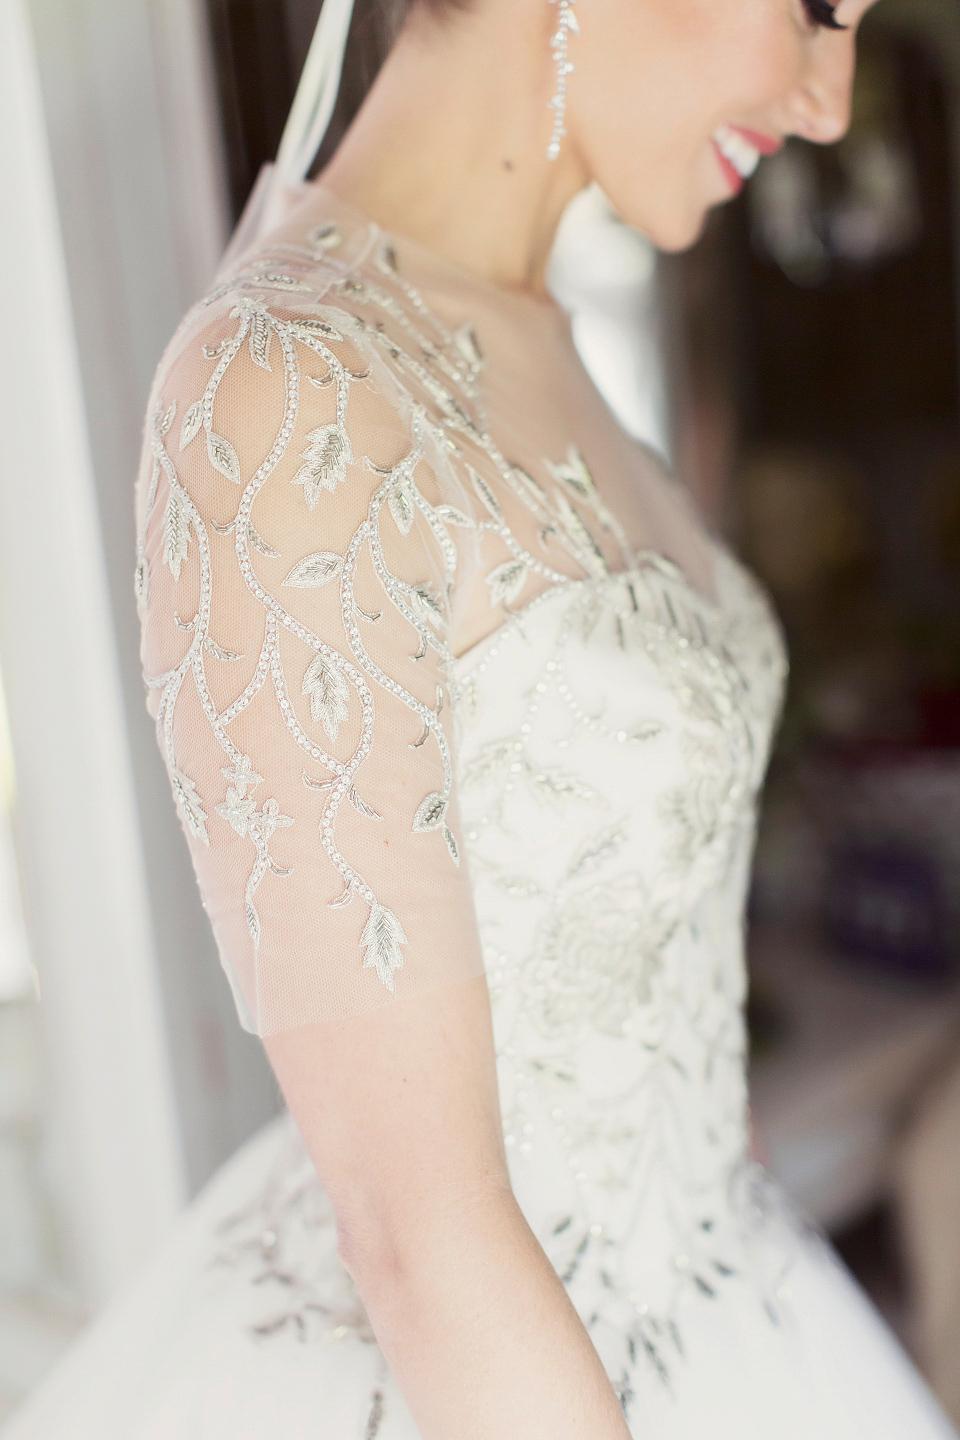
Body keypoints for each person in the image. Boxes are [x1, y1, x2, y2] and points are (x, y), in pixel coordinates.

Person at [4, 1, 957, 1437]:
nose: (830, 103)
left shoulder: (548, 342)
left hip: (721, 1308)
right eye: (817, 10)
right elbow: (417, 1226)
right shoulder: (288, 392)